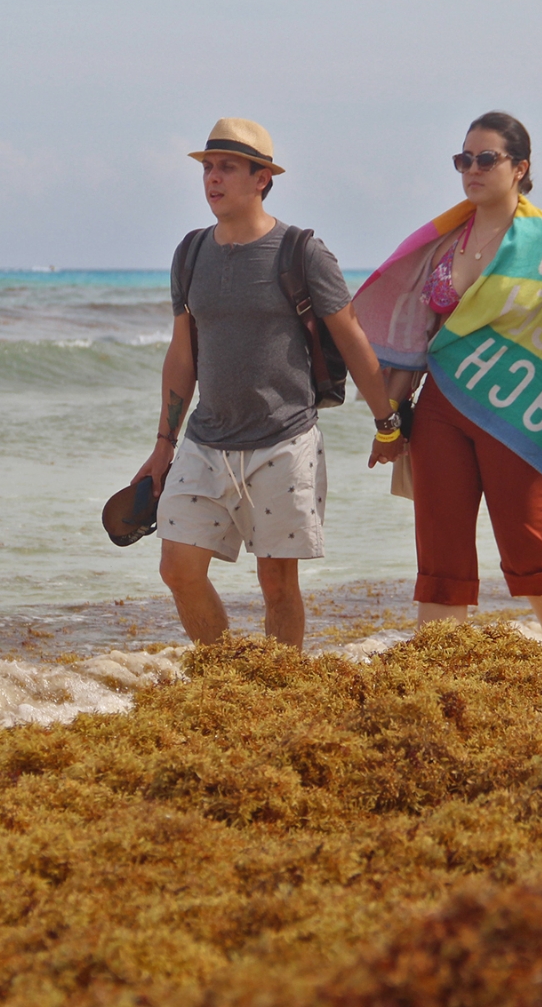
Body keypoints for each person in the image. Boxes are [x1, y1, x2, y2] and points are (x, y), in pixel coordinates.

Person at [134, 118, 404, 650]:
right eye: (208, 168)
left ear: (262, 179)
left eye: (227, 168)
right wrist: (163, 444)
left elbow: (350, 338)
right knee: (177, 567)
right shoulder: (189, 254)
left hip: (285, 441)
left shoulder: (301, 252)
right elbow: (182, 353)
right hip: (206, 440)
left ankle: (279, 692)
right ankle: (225, 677)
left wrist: (388, 423)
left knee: (277, 584)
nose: (213, 179)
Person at [351, 112, 542, 641]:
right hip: (442, 407)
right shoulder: (446, 242)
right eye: (463, 159)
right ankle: (440, 668)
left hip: (517, 408)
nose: (472, 168)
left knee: (525, 541)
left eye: (486, 158)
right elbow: (417, 338)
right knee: (440, 542)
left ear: (520, 167)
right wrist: (389, 422)